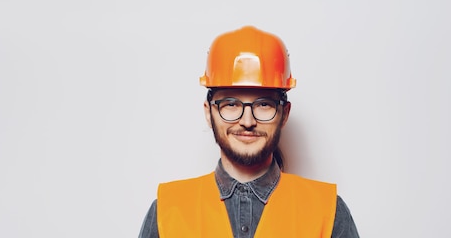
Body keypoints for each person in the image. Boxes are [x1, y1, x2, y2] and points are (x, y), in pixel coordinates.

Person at [138, 25, 360, 238]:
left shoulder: (327, 211)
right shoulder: (167, 211)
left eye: (263, 104)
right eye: (231, 104)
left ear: (284, 113)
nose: (247, 121)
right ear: (208, 112)